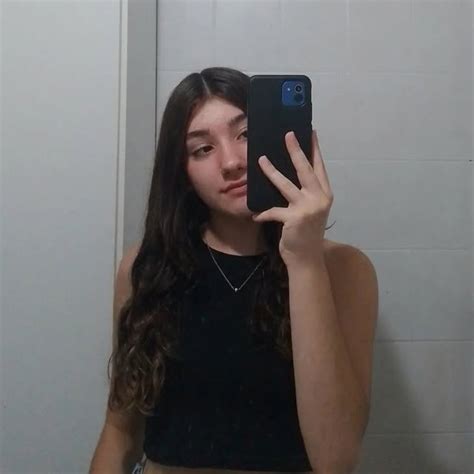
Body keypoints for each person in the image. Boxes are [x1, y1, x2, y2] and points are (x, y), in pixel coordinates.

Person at [89, 67, 376, 474]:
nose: (230, 162)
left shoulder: (342, 269)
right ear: (182, 172)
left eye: (245, 134)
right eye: (202, 149)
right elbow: (119, 433)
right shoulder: (146, 269)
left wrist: (305, 260)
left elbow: (336, 459)